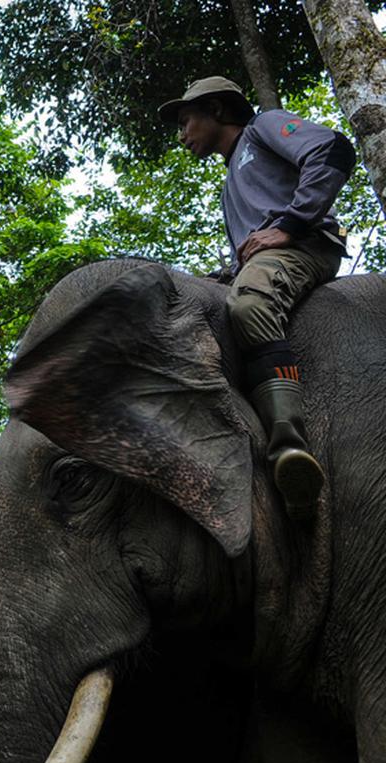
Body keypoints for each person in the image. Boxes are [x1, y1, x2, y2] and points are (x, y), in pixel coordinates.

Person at [158, 76, 356, 521]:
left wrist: (291, 222)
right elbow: (250, 248)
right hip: (263, 263)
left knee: (249, 304)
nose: (181, 133)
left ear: (218, 110)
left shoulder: (263, 128)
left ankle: (289, 447)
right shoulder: (231, 184)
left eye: (186, 120)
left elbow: (333, 149)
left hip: (303, 247)